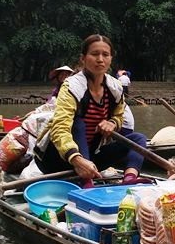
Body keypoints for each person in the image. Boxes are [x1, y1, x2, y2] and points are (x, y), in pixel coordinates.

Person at [34, 35, 147, 184]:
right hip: (58, 158)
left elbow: (119, 116)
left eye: (105, 55)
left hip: (91, 157)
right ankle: (86, 181)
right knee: (78, 123)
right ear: (83, 58)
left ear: (111, 59)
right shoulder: (72, 86)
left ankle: (129, 178)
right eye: (94, 54)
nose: (100, 59)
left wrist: (112, 122)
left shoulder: (115, 87)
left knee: (139, 139)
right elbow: (59, 128)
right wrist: (77, 159)